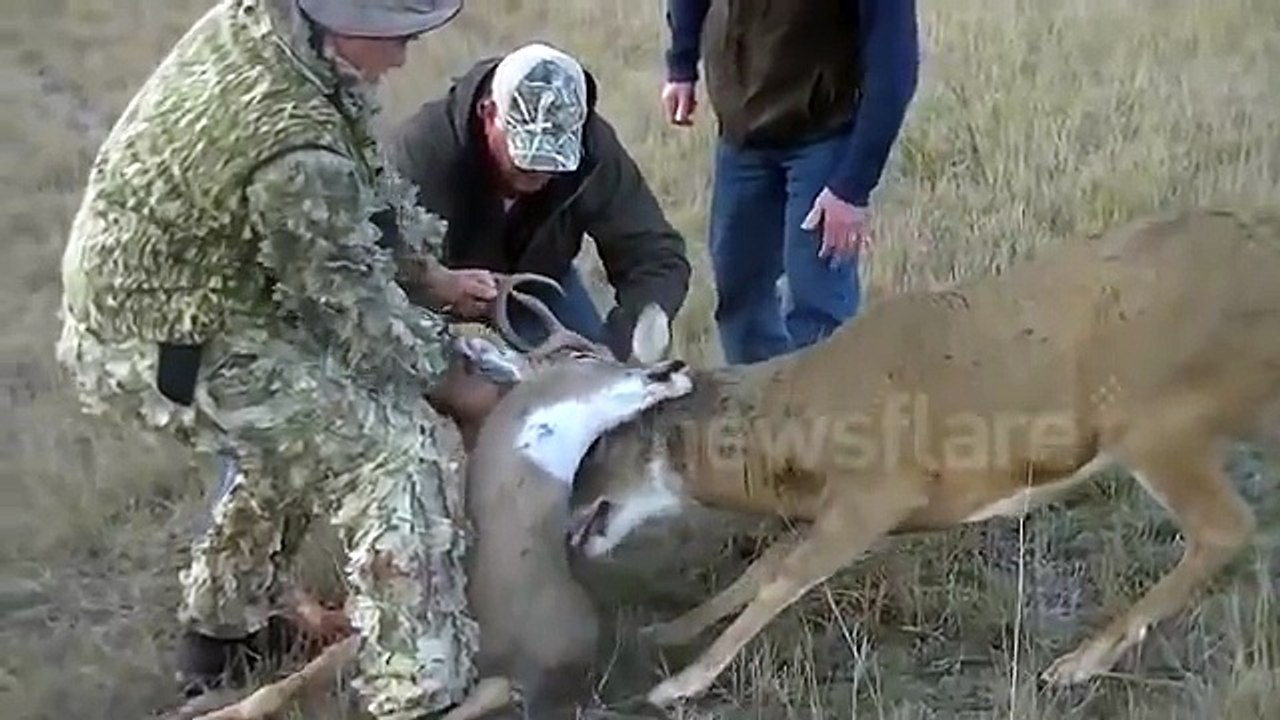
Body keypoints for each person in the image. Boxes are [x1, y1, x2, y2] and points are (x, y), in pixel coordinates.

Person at [54, 0, 498, 717]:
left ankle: (222, 636)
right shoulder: (289, 142)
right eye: (399, 36)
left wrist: (431, 278)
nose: (407, 53)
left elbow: (363, 192)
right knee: (391, 450)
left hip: (210, 295)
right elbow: (349, 304)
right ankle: (420, 693)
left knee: (300, 431)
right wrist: (456, 384)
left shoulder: (286, 33)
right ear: (348, 21)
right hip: (166, 337)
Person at [387, 41, 692, 361]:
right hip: (431, 292)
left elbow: (655, 256)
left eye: (554, 162)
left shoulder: (593, 148)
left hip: (539, 287)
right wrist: (436, 285)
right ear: (489, 114)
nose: (539, 173)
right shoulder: (422, 150)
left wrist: (624, 348)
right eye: (526, 159)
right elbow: (374, 253)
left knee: (595, 384)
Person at [661, 0, 920, 364]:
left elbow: (894, 68)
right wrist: (681, 66)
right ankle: (760, 407)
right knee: (739, 293)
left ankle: (824, 414)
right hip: (742, 139)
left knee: (818, 306)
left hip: (823, 139)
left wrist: (851, 189)